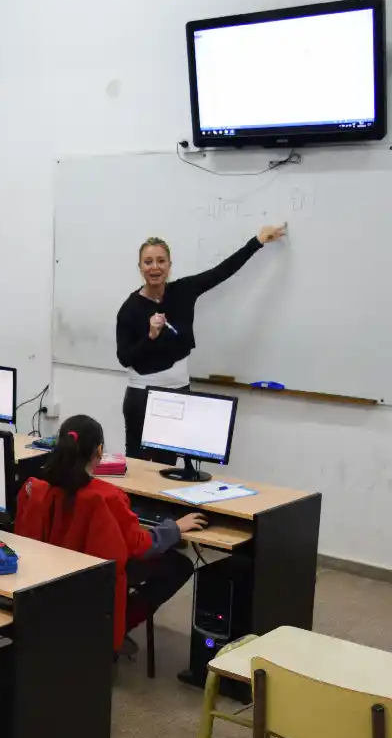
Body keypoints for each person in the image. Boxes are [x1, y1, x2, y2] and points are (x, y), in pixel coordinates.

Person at [15, 415, 205, 654]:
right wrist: (175, 528)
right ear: (99, 451)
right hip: (93, 583)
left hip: (50, 582)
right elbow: (140, 545)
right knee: (180, 565)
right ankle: (122, 623)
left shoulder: (36, 487)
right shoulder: (105, 497)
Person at [116, 225, 286, 460]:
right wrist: (150, 337)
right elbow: (124, 358)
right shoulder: (130, 308)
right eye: (148, 262)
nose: (155, 267)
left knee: (167, 466)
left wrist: (257, 241)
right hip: (142, 397)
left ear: (169, 265)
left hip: (178, 391)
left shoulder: (184, 290)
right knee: (139, 467)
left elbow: (223, 271)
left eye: (161, 261)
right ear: (140, 268)